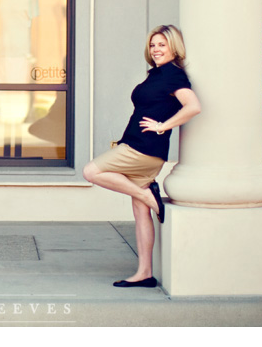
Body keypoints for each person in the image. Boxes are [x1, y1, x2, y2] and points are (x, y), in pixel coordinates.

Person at [83, 25, 201, 288]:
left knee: (91, 171)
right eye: (152, 45)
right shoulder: (157, 74)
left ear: (174, 47)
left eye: (162, 44)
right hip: (140, 146)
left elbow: (193, 106)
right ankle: (145, 273)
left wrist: (163, 125)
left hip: (143, 148)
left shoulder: (173, 75)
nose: (156, 49)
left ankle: (149, 195)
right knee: (140, 209)